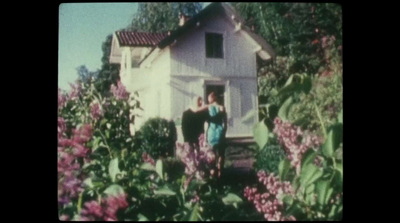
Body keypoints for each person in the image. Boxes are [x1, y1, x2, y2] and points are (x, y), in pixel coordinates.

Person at [204, 92, 227, 177]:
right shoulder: (222, 107)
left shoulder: (208, 108)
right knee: (221, 154)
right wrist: (223, 133)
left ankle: (212, 172)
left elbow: (207, 124)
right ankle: (220, 172)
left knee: (211, 154)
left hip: (211, 133)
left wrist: (205, 136)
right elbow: (225, 123)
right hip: (220, 133)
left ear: (211, 98)